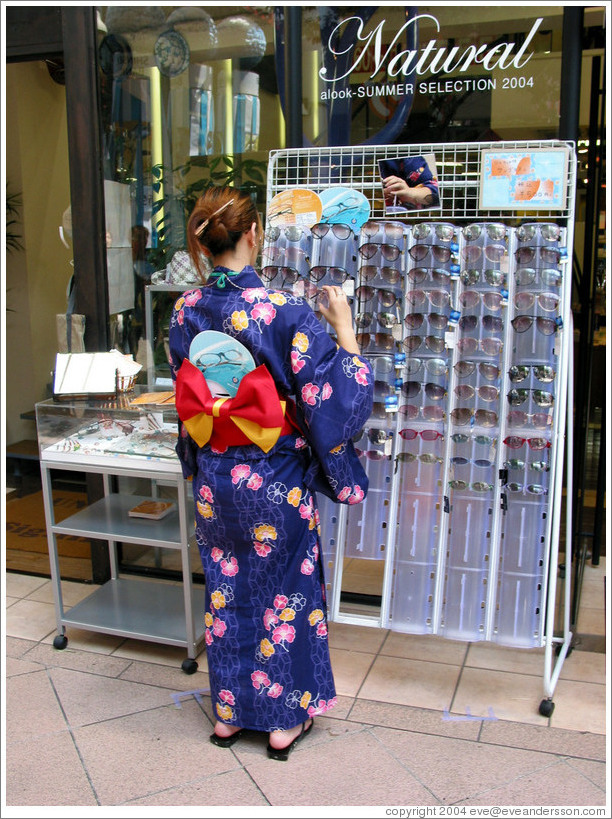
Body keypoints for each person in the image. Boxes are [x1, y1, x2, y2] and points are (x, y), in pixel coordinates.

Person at [168, 186, 374, 760]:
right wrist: (346, 330)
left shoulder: (186, 310)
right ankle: (283, 720)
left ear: (206, 245)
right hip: (272, 478)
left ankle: (230, 714)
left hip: (216, 476)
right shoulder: (283, 311)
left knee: (227, 590)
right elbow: (329, 400)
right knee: (284, 592)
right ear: (254, 233)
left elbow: (190, 397)